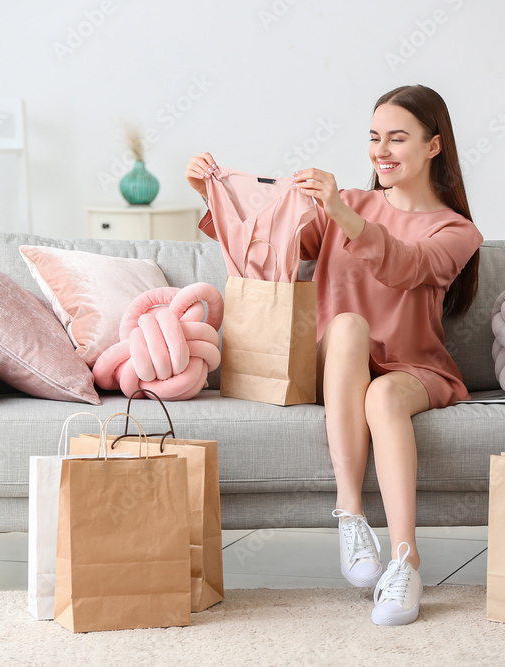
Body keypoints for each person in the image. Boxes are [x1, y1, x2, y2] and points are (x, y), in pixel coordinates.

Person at [185, 85, 482, 626]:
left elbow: (408, 266)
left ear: (434, 146)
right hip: (334, 360)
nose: (381, 151)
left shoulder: (457, 230)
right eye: (374, 138)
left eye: (397, 138)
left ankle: (405, 562)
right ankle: (350, 515)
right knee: (345, 326)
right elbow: (266, 244)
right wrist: (211, 192)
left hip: (415, 366)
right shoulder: (345, 204)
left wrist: (341, 211)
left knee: (387, 394)